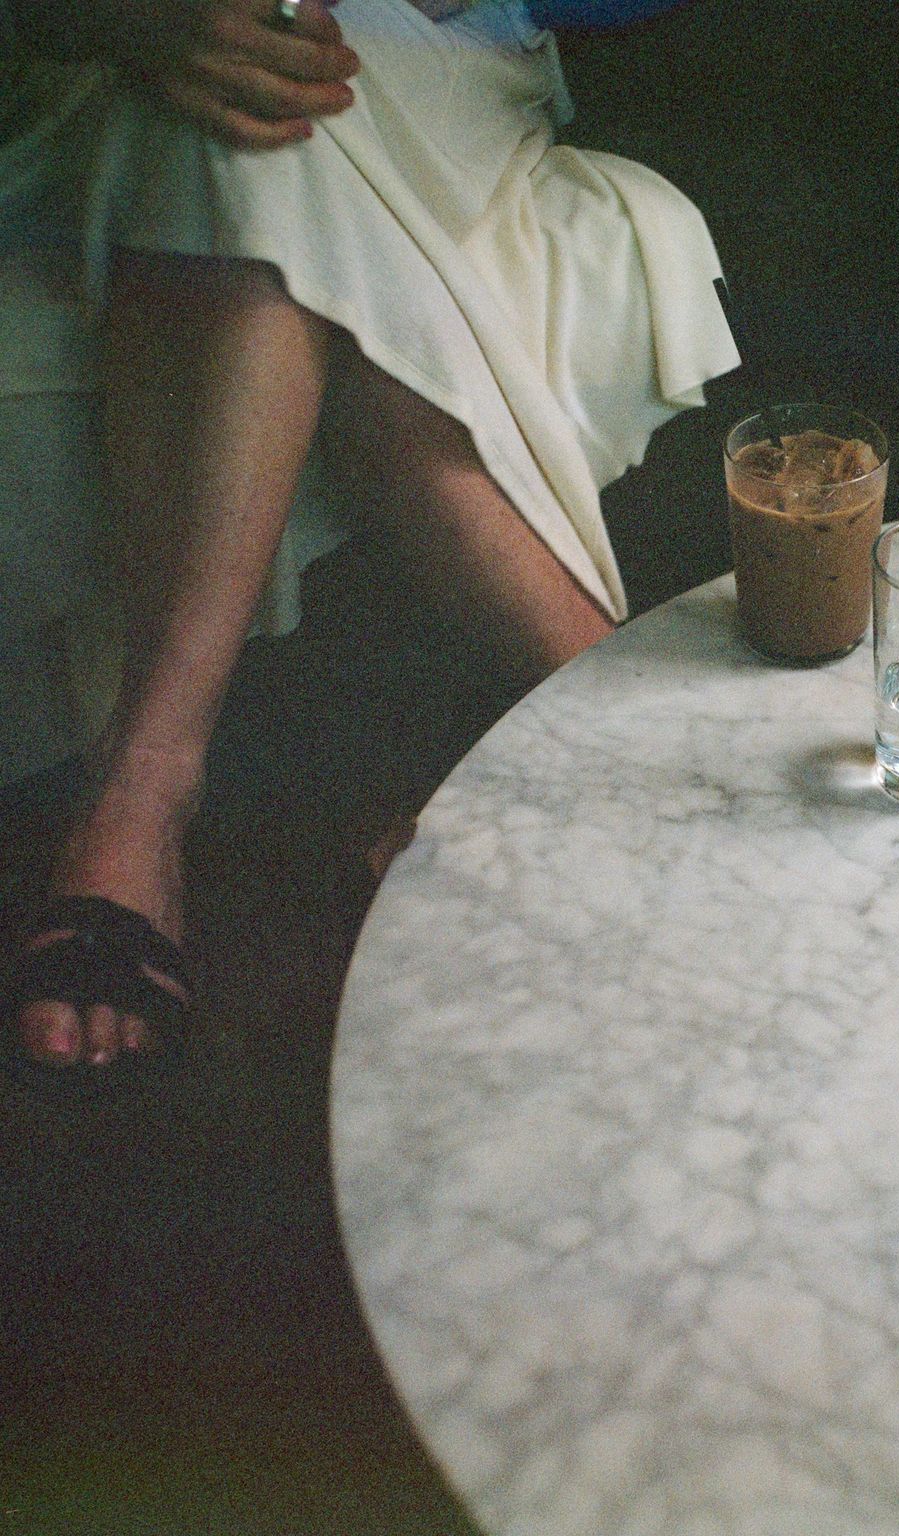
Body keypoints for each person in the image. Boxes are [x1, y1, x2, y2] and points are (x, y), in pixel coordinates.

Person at [1, 0, 738, 1089]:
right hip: (91, 65)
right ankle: (613, 721)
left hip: (420, 55)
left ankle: (139, 798)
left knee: (266, 115)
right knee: (253, 108)